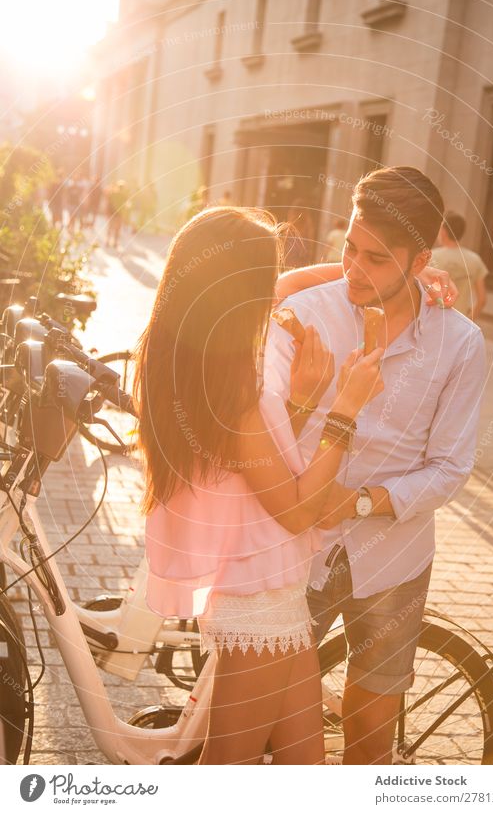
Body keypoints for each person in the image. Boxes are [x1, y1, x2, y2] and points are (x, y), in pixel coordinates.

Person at [136, 205, 385, 765]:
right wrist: (343, 409)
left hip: (273, 592)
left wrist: (298, 402)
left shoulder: (192, 362)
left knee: (303, 770)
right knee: (226, 772)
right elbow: (294, 510)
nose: (276, 294)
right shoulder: (233, 387)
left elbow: (248, 472)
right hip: (257, 599)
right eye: (264, 279)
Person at [263, 166, 486, 765]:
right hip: (294, 545)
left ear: (421, 262)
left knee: (370, 719)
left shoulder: (460, 343)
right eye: (349, 249)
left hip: (394, 553)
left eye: (378, 260)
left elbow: (450, 467)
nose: (355, 270)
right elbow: (259, 432)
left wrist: (362, 502)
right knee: (266, 717)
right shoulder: (303, 313)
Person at [431, 210, 488, 321]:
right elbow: (482, 299)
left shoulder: (432, 256)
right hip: (459, 321)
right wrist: (468, 322)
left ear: (444, 232)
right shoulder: (475, 260)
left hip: (435, 320)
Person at [284, 198, 316, 268]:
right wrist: (310, 251)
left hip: (291, 248)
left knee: (289, 268)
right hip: (303, 248)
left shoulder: (291, 219)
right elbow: (310, 237)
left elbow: (286, 235)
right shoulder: (307, 221)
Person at [105, 179, 130, 248]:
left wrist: (107, 212)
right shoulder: (123, 195)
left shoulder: (113, 194)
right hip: (117, 214)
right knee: (116, 229)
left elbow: (108, 203)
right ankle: (114, 242)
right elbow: (127, 206)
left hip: (113, 213)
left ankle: (108, 241)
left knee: (111, 228)